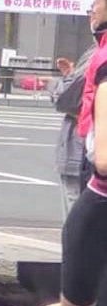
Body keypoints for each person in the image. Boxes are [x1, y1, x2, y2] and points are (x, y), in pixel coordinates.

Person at [15, 0, 107, 306]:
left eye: (94, 6)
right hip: (98, 210)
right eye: (92, 7)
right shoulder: (105, 68)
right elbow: (104, 157)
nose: (91, 12)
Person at [52, 50, 94, 220]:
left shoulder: (97, 55)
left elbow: (65, 99)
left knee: (75, 213)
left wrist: (69, 77)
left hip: (83, 147)